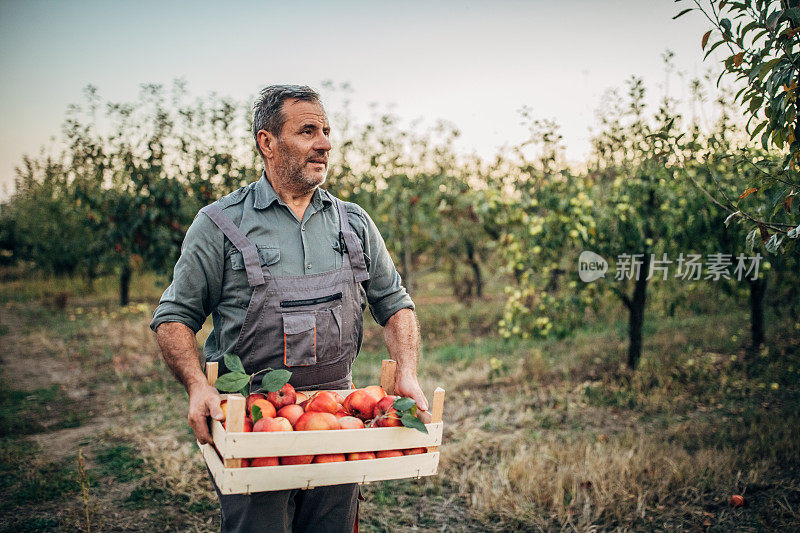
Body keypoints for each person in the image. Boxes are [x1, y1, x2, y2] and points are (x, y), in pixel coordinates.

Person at [150, 84, 428, 533]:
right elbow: (174, 316)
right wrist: (198, 386)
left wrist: (408, 372)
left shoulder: (353, 222)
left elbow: (394, 302)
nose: (324, 143)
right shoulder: (220, 224)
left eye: (326, 131)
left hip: (339, 416)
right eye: (307, 131)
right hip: (253, 421)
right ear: (267, 142)